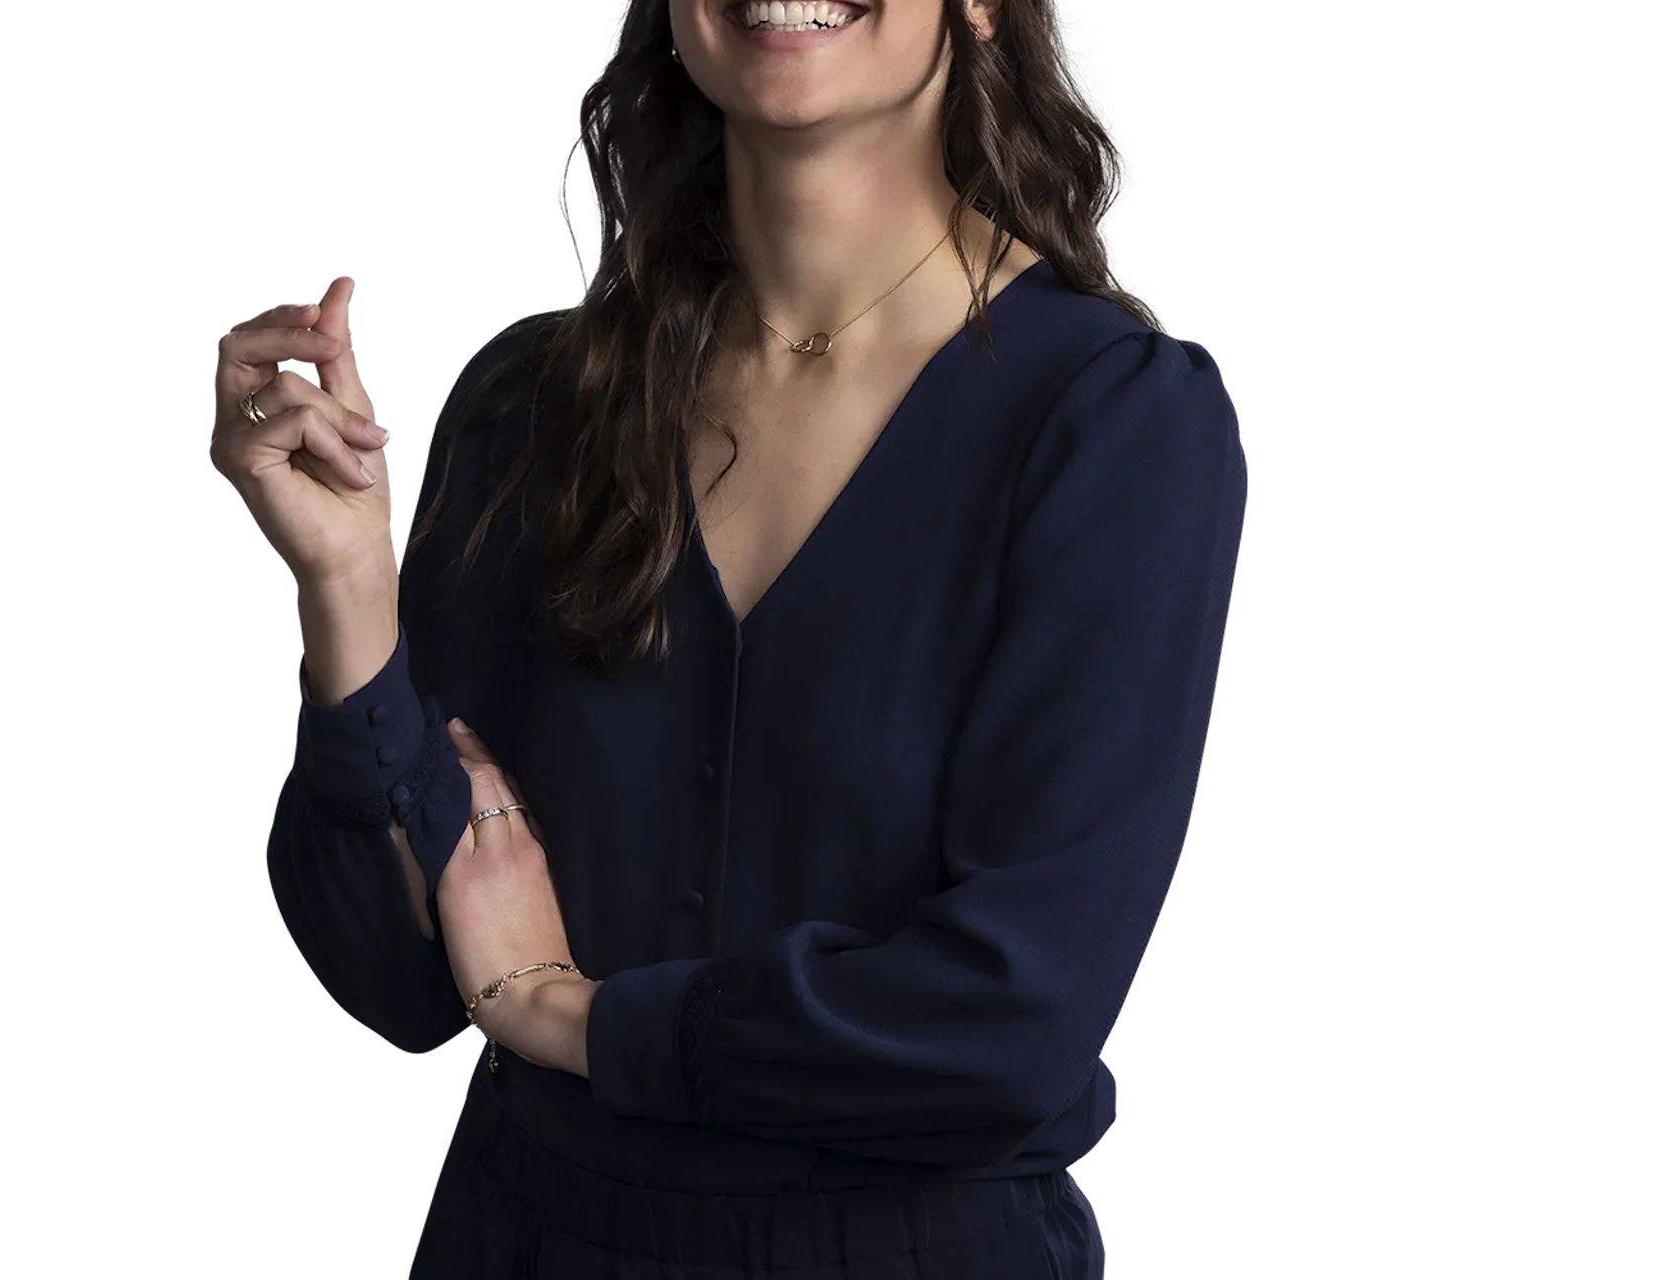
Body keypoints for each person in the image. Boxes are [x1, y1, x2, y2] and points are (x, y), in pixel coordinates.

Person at [209, 1, 1246, 1275]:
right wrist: (348, 591)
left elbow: (1010, 1020)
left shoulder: (1117, 422)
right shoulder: (532, 403)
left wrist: (575, 1018)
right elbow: (399, 979)